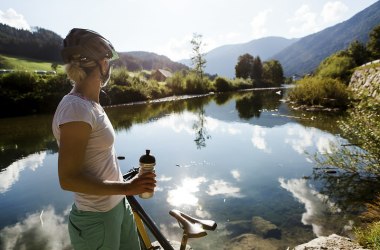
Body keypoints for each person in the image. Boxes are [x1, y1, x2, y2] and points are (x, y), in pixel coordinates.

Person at [52, 28, 156, 250]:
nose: (109, 65)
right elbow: (68, 179)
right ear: (101, 65)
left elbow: (99, 158)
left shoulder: (90, 104)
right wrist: (128, 188)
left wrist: (131, 183)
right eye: (107, 60)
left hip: (118, 207)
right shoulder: (75, 108)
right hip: (96, 219)